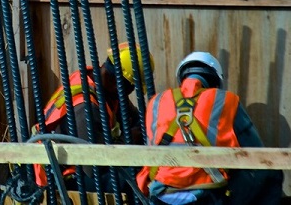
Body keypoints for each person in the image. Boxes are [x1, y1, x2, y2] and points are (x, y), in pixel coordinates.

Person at [136, 51, 284, 205]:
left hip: (160, 194)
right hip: (206, 195)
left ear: (182, 77)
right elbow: (256, 151)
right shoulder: (225, 100)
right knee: (271, 172)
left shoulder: (156, 101)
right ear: (214, 80)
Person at [33, 43, 155, 192]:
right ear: (119, 84)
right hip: (63, 177)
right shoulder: (85, 108)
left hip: (84, 165)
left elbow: (139, 120)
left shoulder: (104, 88)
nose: (129, 93)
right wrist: (130, 140)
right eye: (132, 87)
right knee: (134, 180)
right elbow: (94, 166)